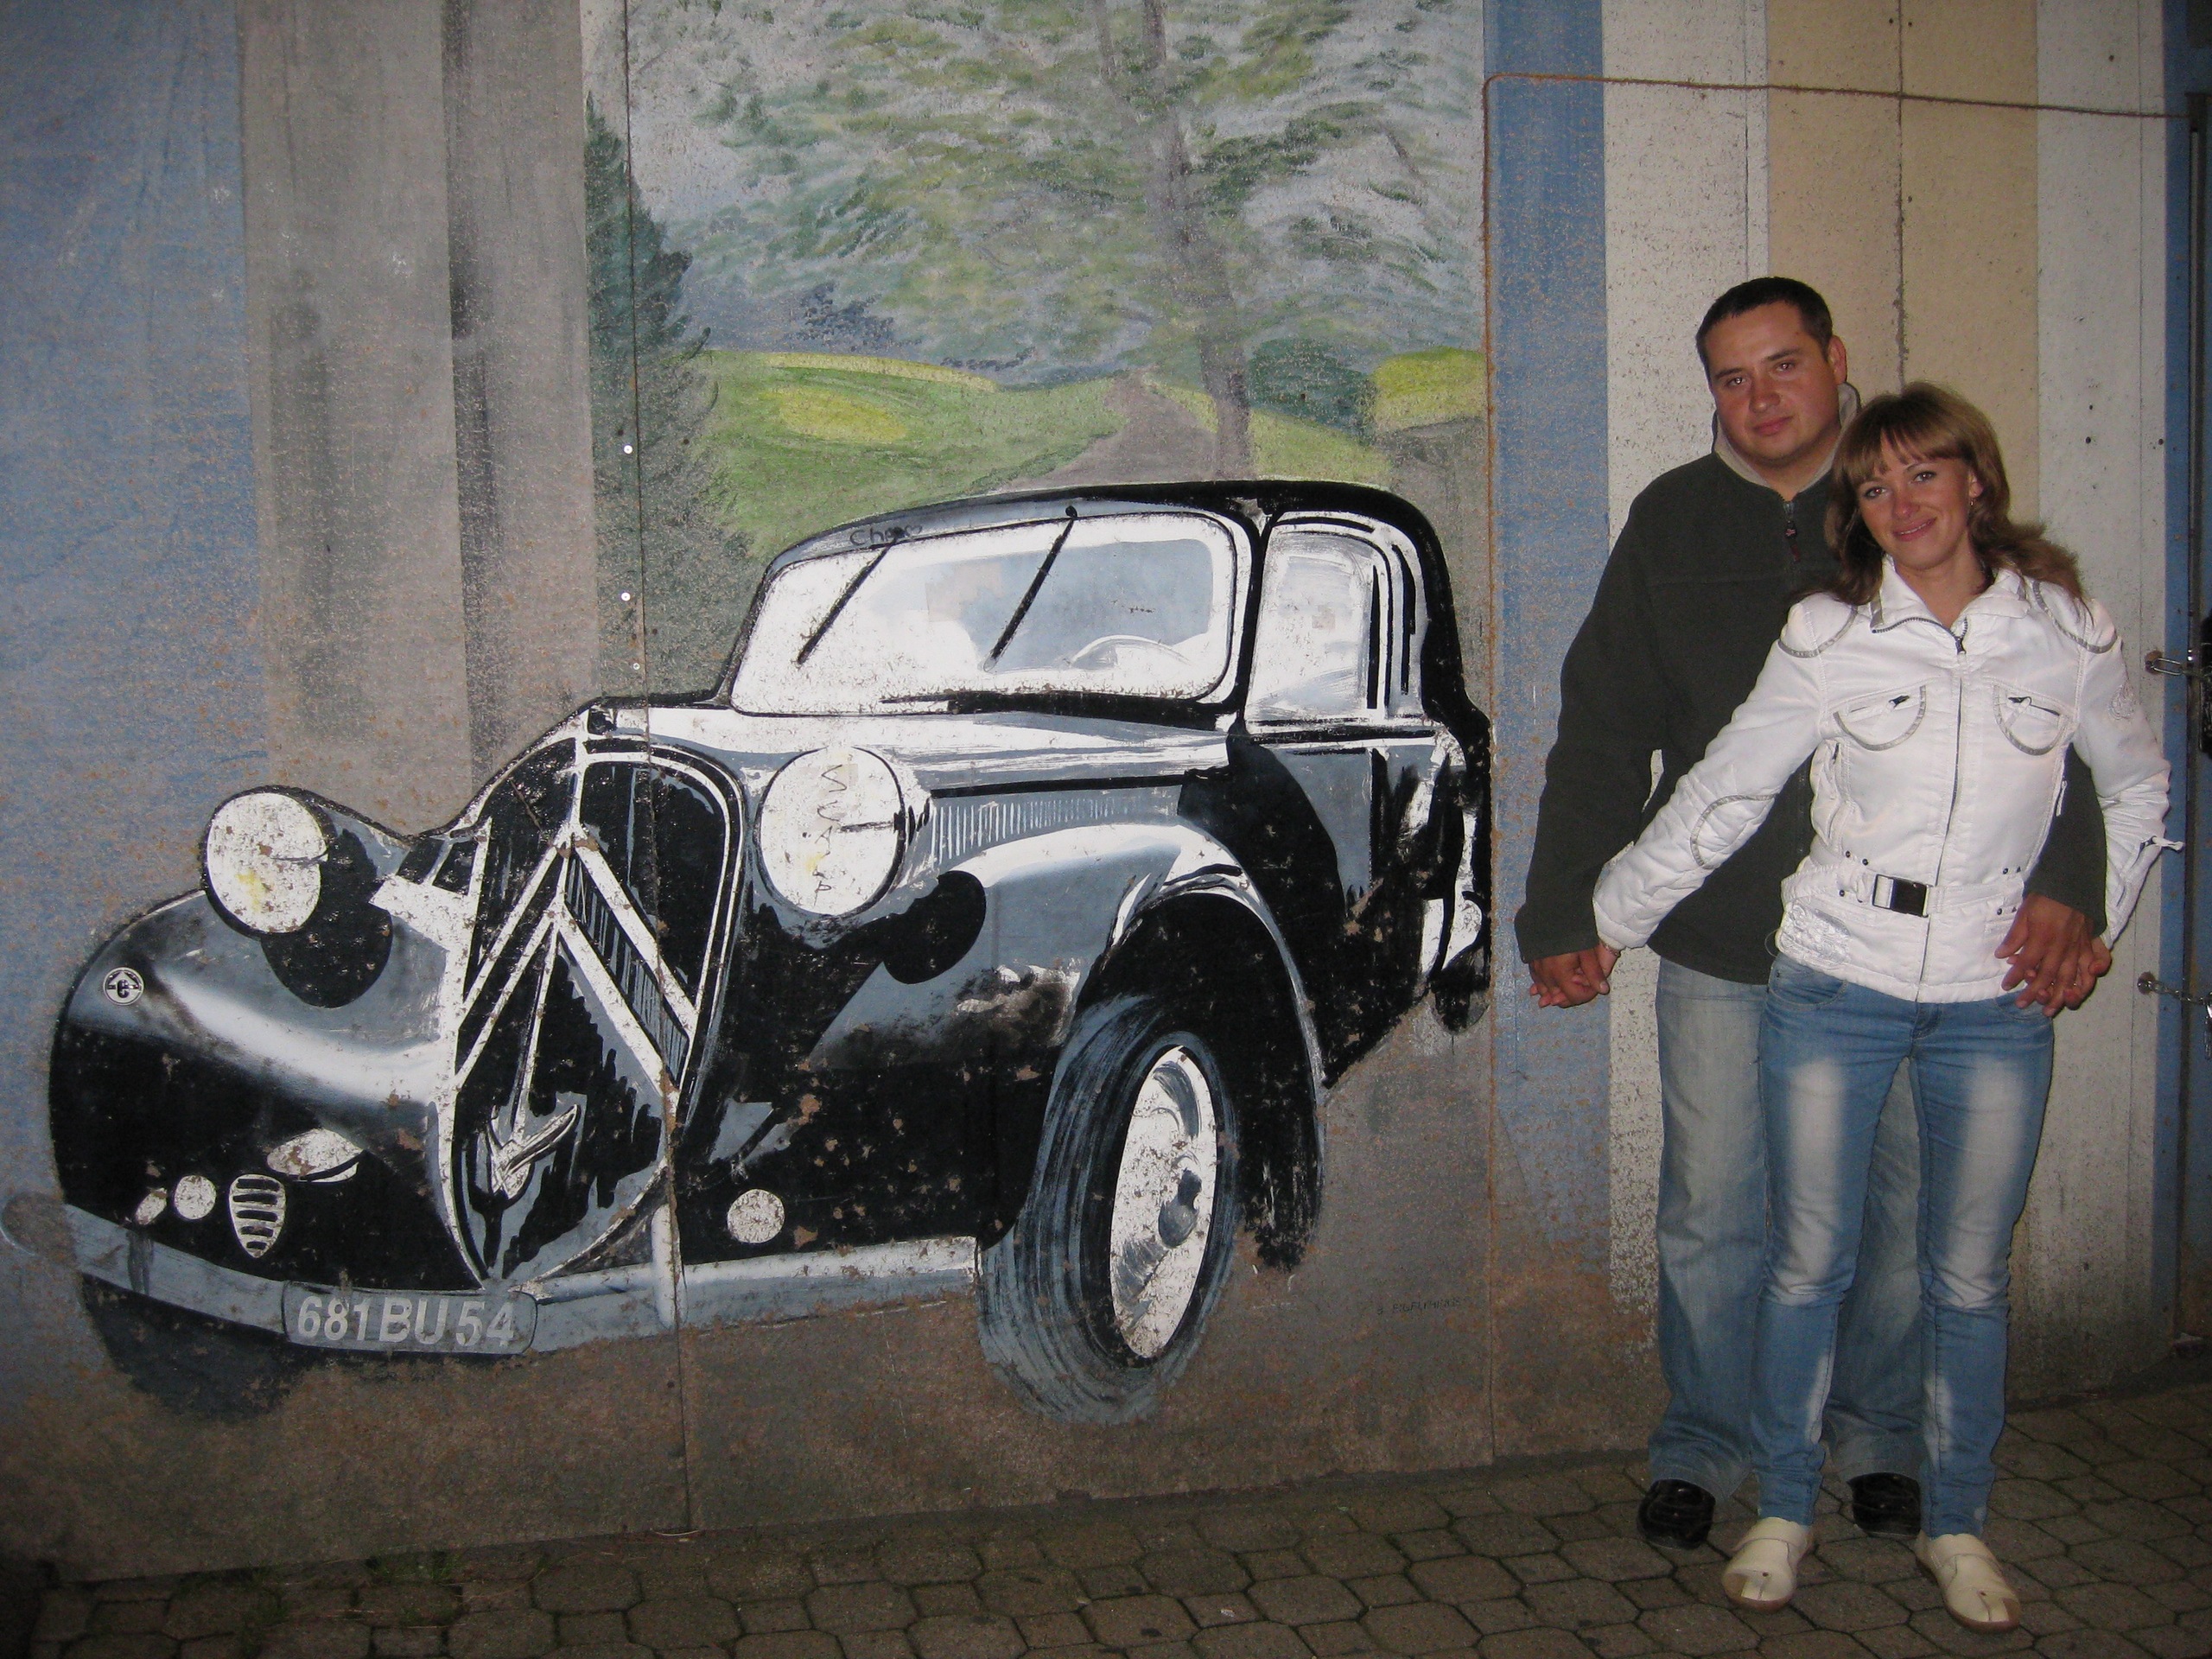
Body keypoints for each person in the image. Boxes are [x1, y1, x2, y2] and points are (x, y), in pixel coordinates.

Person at [1516, 278, 2113, 1552]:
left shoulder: (1915, 504)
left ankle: (1878, 1437)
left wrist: (2071, 881)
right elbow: (1606, 726)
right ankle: (1706, 1444)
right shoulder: (1674, 520)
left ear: (1836, 361)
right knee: (1714, 1214)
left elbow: (2057, 724)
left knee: (1901, 1212)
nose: (1761, 396)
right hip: (1727, 941)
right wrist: (1564, 905)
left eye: (1783, 363)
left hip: (1913, 957)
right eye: (1731, 378)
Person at [1592, 384, 2171, 1629]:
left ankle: (1956, 1526)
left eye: (1924, 474)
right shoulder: (1828, 634)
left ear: (1975, 481)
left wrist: (2092, 926)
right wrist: (1606, 916)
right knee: (1808, 1264)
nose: (1901, 503)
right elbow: (1725, 790)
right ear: (1855, 510)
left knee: (1967, 1282)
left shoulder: (2065, 631)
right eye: (1874, 485)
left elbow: (2136, 788)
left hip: (1992, 1000)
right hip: (1835, 980)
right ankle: (1783, 1509)